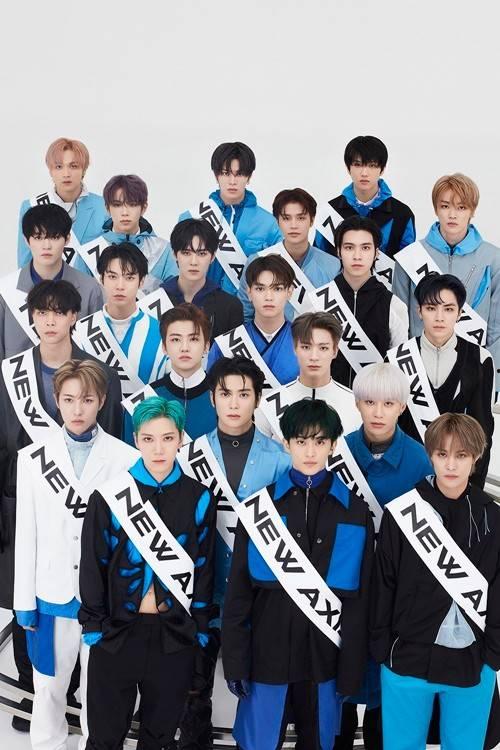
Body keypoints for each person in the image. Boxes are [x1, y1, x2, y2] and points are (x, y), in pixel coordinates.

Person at [0, 279, 122, 731]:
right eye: (42, 312)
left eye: (59, 312)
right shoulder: (12, 375)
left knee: (97, 680)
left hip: (96, 552)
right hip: (30, 517)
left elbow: (115, 437)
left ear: (75, 316)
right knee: (44, 673)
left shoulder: (100, 376)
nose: (50, 321)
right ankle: (38, 716)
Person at [222, 398, 374, 750]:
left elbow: (361, 600)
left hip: (326, 662)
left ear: (333, 445)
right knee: (259, 745)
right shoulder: (259, 509)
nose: (310, 451)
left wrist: (352, 668)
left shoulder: (355, 512)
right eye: (301, 441)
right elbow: (239, 594)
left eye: (319, 441)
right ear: (287, 443)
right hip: (266, 657)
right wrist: (235, 662)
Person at [79, 396, 217, 750]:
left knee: (160, 739)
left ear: (180, 439)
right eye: (149, 439)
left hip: (173, 636)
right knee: (104, 738)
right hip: (117, 633)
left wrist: (200, 628)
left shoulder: (200, 497)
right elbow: (94, 564)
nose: (158, 449)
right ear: (136, 439)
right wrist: (94, 625)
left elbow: (204, 567)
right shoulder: (109, 496)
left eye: (168, 438)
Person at [13, 360, 138, 750]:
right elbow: (26, 534)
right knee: (48, 686)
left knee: (98, 689)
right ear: (57, 400)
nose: (77, 409)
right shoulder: (33, 458)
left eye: (86, 399)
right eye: (68, 400)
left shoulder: (126, 458)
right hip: (50, 593)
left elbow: (126, 541)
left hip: (103, 598)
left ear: (101, 400)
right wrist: (23, 602)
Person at [177, 356, 291, 750]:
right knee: (193, 691)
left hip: (258, 599)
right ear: (212, 398)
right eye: (225, 394)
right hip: (200, 595)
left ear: (257, 399)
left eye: (244, 394)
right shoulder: (188, 457)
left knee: (258, 695)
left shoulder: (281, 461)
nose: (234, 403)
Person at [371, 412, 500, 750]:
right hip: (406, 658)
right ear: (431, 455)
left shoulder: (494, 518)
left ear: (476, 457)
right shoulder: (402, 512)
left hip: (472, 662)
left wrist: (493, 655)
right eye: (442, 454)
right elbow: (383, 584)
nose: (451, 465)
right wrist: (383, 648)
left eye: (461, 455)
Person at [335, 362, 433, 750]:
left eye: (388, 403)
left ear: (402, 406)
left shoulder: (419, 461)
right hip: (342, 585)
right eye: (370, 402)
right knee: (340, 677)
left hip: (395, 589)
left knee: (387, 683)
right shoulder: (338, 452)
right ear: (357, 403)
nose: (378, 412)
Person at [392, 173, 500, 389]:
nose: (452, 215)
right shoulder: (410, 256)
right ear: (436, 209)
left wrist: (492, 381)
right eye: (445, 206)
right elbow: (399, 323)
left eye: (461, 207)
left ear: (472, 211)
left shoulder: (493, 258)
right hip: (419, 373)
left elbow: (497, 328)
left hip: (473, 372)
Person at [390, 272, 494, 488]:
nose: (439, 317)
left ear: (460, 313)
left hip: (455, 476)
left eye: (448, 309)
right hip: (405, 474)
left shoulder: (480, 359)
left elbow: (483, 432)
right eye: (431, 308)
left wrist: (473, 491)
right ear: (419, 311)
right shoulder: (396, 358)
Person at [1, 204, 103, 359]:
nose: (46, 246)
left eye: (54, 237)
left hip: (75, 373)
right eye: (38, 238)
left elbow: (96, 355)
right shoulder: (5, 290)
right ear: (27, 240)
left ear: (67, 239)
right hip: (20, 375)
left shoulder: (90, 289)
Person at [179, 141, 282, 294]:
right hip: (198, 303)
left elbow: (279, 276)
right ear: (216, 176)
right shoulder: (191, 218)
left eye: (239, 174)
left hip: (247, 306)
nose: (232, 181)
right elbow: (178, 270)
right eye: (226, 173)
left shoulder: (268, 224)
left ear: (249, 177)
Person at [74, 242, 166, 396]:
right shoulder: (81, 331)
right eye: (112, 276)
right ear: (101, 279)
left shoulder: (161, 332)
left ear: (141, 281)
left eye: (129, 277)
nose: (120, 286)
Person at [238, 188, 340, 321]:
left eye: (301, 218)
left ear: (312, 220)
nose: (293, 225)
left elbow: (337, 321)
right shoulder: (257, 261)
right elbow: (244, 315)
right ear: (277, 221)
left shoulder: (333, 266)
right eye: (286, 218)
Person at [255, 311, 360, 440]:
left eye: (323, 348)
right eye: (306, 347)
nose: (314, 357)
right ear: (295, 349)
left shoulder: (356, 406)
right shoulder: (268, 405)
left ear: (335, 351)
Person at [331, 216, 408, 388]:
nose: (357, 256)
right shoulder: (318, 301)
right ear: (338, 252)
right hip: (327, 400)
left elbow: (398, 369)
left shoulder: (394, 305)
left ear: (376, 253)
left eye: (365, 248)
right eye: (349, 247)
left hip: (376, 400)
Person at [123, 303, 217, 445]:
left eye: (193, 339)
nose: (184, 348)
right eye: (175, 340)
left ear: (206, 346)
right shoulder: (143, 401)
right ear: (164, 347)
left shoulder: (225, 398)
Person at [17, 137, 108, 273]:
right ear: (50, 171)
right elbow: (24, 265)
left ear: (84, 170)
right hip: (46, 285)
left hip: (90, 285)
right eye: (59, 167)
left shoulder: (104, 207)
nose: (66, 174)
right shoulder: (31, 207)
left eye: (73, 166)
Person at [315, 135, 415, 258]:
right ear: (348, 168)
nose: (364, 173)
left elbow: (407, 263)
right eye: (358, 165)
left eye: (372, 165)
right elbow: (319, 259)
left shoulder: (402, 214)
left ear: (382, 169)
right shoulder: (330, 211)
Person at [208, 255, 299, 386]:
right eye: (260, 289)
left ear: (289, 292)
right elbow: (214, 393)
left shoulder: (305, 341)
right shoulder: (223, 345)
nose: (269, 297)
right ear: (249, 292)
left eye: (277, 289)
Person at [161, 218, 243, 339]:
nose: (194, 262)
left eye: (202, 254)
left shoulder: (230, 306)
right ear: (174, 254)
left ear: (212, 257)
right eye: (186, 253)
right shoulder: (157, 300)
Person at [100, 174, 178, 292]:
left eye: (132, 204)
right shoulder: (89, 252)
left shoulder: (164, 251)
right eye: (117, 205)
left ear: (144, 207)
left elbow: (175, 297)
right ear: (107, 208)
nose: (125, 212)